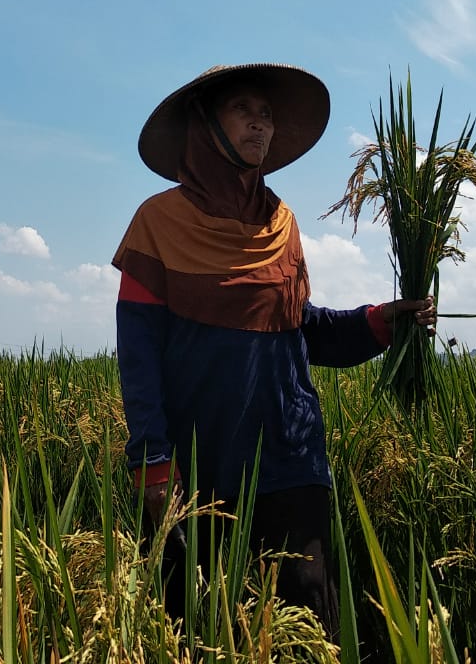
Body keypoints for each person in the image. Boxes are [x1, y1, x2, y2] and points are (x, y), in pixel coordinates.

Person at [113, 63, 437, 638]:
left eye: (266, 115)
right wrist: (152, 462)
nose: (260, 125)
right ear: (207, 125)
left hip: (290, 454)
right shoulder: (157, 224)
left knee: (311, 616)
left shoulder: (281, 223)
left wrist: (377, 322)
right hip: (203, 459)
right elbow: (138, 358)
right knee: (205, 622)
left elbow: (299, 329)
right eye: (244, 111)